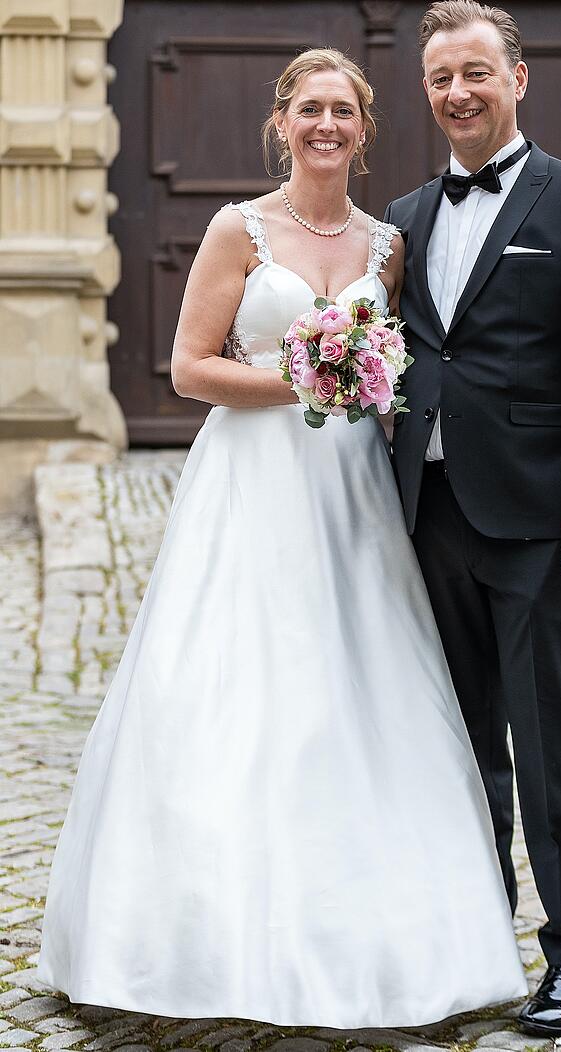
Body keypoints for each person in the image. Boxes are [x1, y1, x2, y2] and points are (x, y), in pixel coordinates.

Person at [36, 48, 528, 1028]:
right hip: (250, 481)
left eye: (344, 110)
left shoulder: (391, 244)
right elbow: (189, 368)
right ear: (281, 120)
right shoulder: (239, 229)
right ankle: (197, 941)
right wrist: (310, 381)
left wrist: (371, 390)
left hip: (352, 488)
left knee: (360, 676)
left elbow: (403, 369)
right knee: (234, 678)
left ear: (365, 127)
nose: (326, 125)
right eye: (310, 109)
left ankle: (388, 939)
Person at [385, 0, 561, 1039]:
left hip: (540, 518)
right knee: (454, 744)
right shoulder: (402, 216)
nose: (458, 92)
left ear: (518, 78)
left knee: (548, 743)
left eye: (476, 73)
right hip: (426, 513)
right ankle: (476, 939)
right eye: (442, 76)